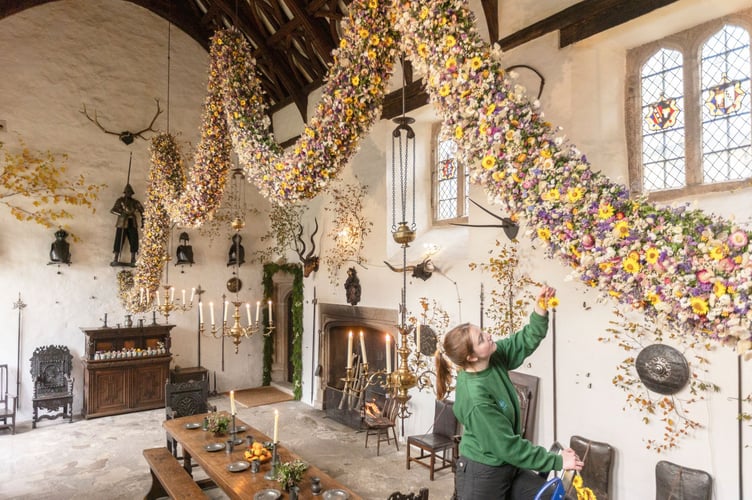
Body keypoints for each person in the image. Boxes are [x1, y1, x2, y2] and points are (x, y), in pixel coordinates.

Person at [435, 285, 584, 499]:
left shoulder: (493, 358)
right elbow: (506, 445)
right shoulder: (475, 397)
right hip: (483, 474)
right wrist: (557, 461)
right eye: (480, 339)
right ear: (471, 358)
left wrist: (540, 309)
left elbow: (523, 341)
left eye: (482, 331)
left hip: (507, 464)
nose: (488, 334)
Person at [110, 184, 144, 266]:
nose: (128, 193)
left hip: (132, 222)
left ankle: (133, 258)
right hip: (122, 222)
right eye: (127, 192)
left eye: (130, 192)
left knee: (134, 240)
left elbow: (143, 212)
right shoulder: (120, 201)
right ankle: (116, 257)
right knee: (119, 240)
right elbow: (113, 210)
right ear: (125, 192)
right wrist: (121, 213)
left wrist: (144, 222)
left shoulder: (135, 202)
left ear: (132, 193)